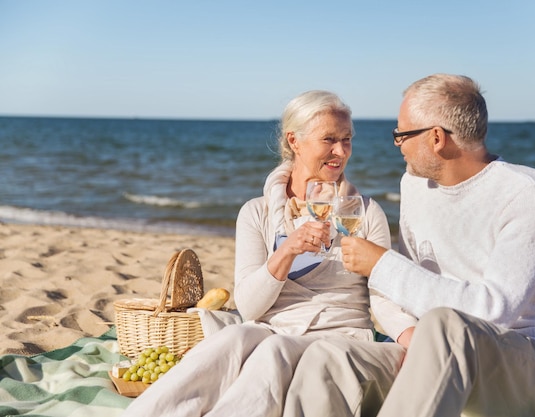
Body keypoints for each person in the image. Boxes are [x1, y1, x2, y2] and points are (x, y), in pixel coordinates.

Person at [289, 74, 535, 417]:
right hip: (438, 347)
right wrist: (407, 333)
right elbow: (401, 290)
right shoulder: (415, 186)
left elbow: (493, 312)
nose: (398, 144)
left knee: (445, 326)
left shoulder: (528, 195)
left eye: (401, 135)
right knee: (328, 358)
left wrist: (382, 265)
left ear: (435, 138)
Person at [120, 90, 409, 417]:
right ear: (295, 141)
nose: (341, 151)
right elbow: (249, 306)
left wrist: (407, 334)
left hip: (339, 335)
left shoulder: (364, 213)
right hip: (273, 328)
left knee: (274, 351)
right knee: (229, 341)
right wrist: (286, 251)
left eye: (347, 139)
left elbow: (384, 295)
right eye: (329, 139)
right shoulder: (256, 214)